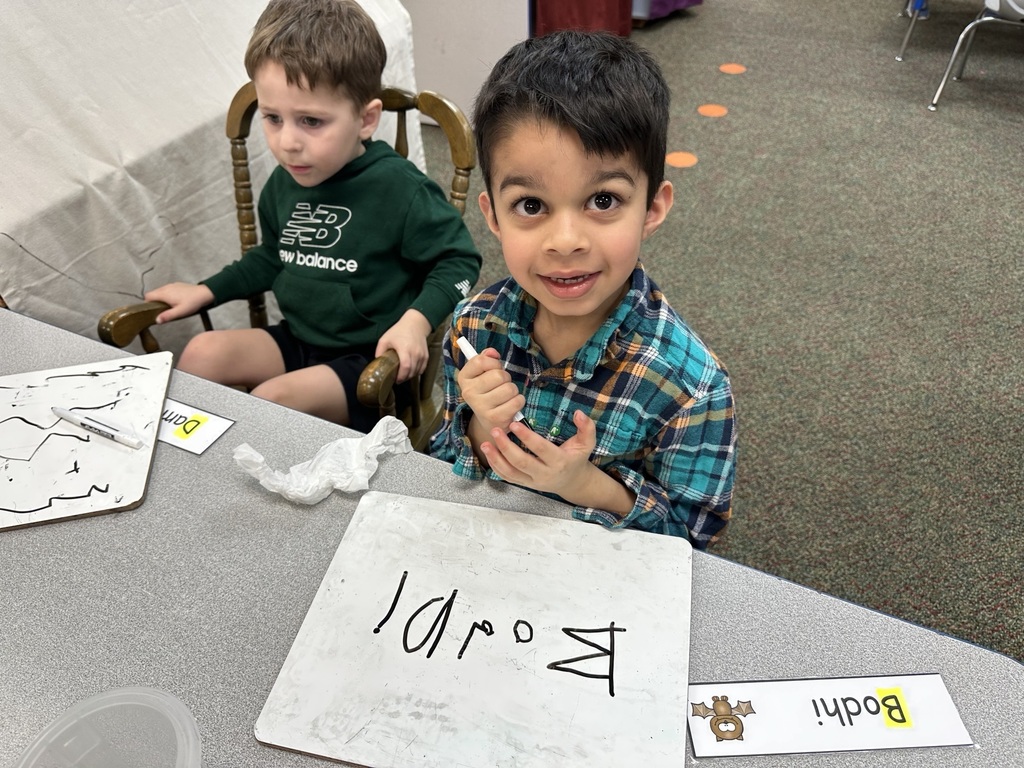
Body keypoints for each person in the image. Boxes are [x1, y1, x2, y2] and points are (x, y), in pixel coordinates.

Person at [429, 31, 736, 548]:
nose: (565, 242)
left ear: (652, 209)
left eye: (603, 200)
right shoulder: (473, 328)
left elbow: (691, 539)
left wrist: (584, 485)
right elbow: (443, 462)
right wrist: (482, 427)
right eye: (531, 205)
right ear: (494, 217)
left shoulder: (692, 387)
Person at [146, 0, 481, 431]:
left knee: (267, 403)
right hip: (299, 338)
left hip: (373, 362)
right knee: (199, 354)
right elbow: (272, 257)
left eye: (310, 121)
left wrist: (415, 323)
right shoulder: (287, 181)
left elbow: (460, 261)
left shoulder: (400, 189)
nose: (287, 142)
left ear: (365, 119)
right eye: (272, 118)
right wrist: (206, 291)